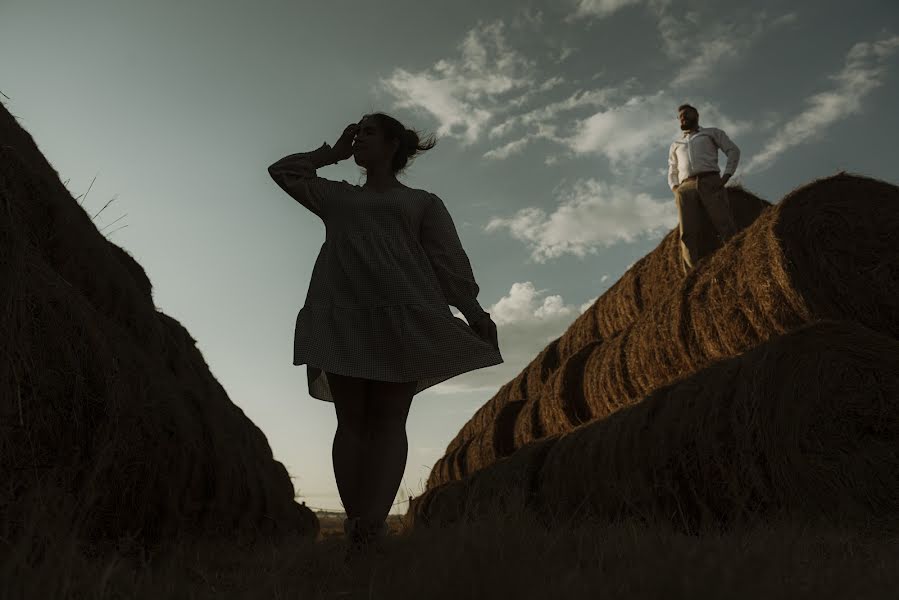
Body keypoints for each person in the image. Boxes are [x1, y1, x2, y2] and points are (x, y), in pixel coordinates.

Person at [267, 113, 503, 560]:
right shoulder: (334, 196)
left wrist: (472, 311)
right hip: (344, 315)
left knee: (391, 420)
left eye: (368, 132)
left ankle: (374, 525)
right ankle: (356, 523)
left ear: (394, 144)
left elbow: (447, 260)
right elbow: (283, 171)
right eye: (356, 134)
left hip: (404, 316)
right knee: (351, 422)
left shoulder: (422, 203)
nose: (358, 139)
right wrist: (330, 154)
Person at [668, 103, 741, 272]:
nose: (682, 118)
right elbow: (672, 169)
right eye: (680, 116)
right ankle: (692, 275)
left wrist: (726, 176)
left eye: (686, 114)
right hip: (685, 187)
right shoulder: (676, 144)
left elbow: (733, 151)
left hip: (710, 180)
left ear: (696, 116)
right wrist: (675, 189)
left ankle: (736, 261)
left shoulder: (712, 132)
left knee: (724, 224)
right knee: (687, 234)